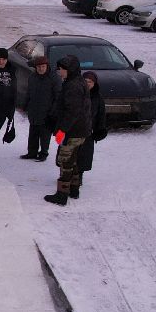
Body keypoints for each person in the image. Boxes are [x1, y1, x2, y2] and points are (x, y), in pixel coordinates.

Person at [44, 56, 91, 207]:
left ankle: (62, 194)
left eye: (62, 69)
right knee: (74, 159)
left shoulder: (73, 86)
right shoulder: (76, 82)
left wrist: (62, 130)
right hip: (80, 129)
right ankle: (74, 189)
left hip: (72, 131)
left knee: (65, 160)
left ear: (69, 70)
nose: (59, 72)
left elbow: (72, 111)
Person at [73, 70, 109, 199]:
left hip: (88, 131)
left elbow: (101, 115)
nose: (88, 84)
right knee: (71, 153)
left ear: (94, 83)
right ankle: (67, 174)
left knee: (83, 155)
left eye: (90, 82)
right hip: (74, 129)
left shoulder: (98, 98)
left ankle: (79, 175)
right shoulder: (76, 94)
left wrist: (100, 130)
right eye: (86, 81)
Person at [18, 55, 57, 162]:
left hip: (47, 111)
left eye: (43, 66)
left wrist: (53, 111)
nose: (41, 69)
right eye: (38, 67)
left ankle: (44, 153)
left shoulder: (54, 78)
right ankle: (32, 152)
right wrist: (24, 105)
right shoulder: (33, 77)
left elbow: (58, 96)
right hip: (34, 110)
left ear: (47, 66)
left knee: (45, 134)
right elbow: (28, 93)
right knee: (33, 132)